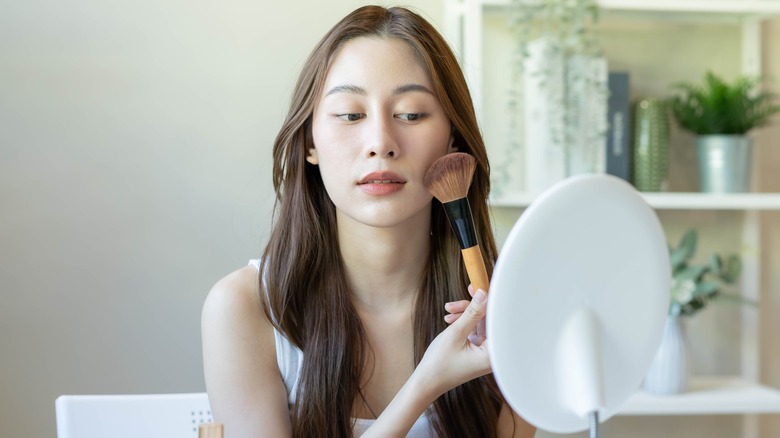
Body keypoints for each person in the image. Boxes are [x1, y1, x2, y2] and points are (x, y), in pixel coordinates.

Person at [201, 5, 536, 437]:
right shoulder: (244, 308)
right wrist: (425, 385)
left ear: (453, 139)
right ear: (309, 143)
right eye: (350, 115)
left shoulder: (510, 308)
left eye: (411, 114)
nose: (380, 142)